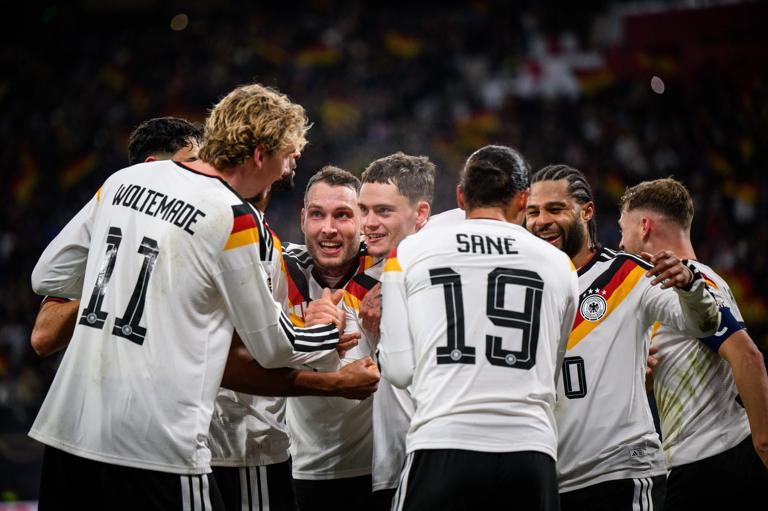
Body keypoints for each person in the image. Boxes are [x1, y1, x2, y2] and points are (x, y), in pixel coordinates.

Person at [29, 83, 351, 510]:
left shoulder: (126, 179)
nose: (290, 164)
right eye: (287, 153)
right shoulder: (234, 217)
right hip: (156, 448)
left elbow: (47, 275)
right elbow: (273, 347)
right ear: (259, 154)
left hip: (68, 432)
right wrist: (325, 327)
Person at [379, 145, 579, 511]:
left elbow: (398, 370)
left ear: (460, 196)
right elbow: (552, 369)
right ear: (522, 199)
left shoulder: (409, 252)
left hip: (443, 444)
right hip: (530, 452)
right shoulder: (560, 265)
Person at [525, 164, 721, 511]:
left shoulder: (627, 274)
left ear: (586, 211)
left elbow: (704, 324)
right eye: (533, 212)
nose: (542, 221)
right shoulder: (524, 289)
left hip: (620, 474)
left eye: (555, 209)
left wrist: (690, 287)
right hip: (550, 479)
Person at [618, 177, 768, 509]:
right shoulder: (700, 278)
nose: (620, 242)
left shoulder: (683, 282)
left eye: (622, 229)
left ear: (644, 227)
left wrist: (763, 443)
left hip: (711, 465)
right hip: (713, 460)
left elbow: (748, 356)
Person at [30, 116, 204, 358]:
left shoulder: (197, 225)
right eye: (192, 163)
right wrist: (113, 288)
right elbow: (43, 335)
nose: (202, 174)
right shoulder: (105, 228)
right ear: (151, 167)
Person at [280, 165, 381, 510]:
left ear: (364, 220)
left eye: (343, 215)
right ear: (301, 218)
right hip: (296, 472)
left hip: (379, 473)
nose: (328, 229)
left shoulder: (394, 267)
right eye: (317, 215)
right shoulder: (277, 271)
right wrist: (302, 334)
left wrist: (394, 281)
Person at [349, 152, 433, 511]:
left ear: (422, 213)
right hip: (390, 466)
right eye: (363, 209)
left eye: (383, 211)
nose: (368, 222)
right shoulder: (362, 282)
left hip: (440, 458)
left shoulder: (451, 272)